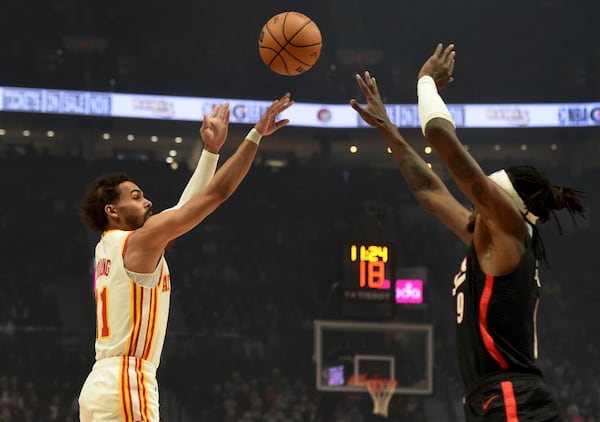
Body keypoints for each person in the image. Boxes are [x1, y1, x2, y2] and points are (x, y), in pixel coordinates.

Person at [350, 44, 586, 421]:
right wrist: (387, 129)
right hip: (494, 398)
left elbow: (442, 140)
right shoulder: (492, 240)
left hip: (513, 399)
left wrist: (426, 83)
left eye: (486, 195)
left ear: (505, 205)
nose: (475, 203)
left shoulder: (510, 232)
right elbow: (430, 191)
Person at [77, 93, 294, 421]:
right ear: (113, 210)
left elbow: (182, 210)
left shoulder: (109, 246)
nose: (148, 202)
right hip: (127, 381)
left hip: (102, 383)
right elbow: (214, 196)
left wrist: (210, 153)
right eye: (136, 197)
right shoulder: (138, 242)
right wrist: (255, 136)